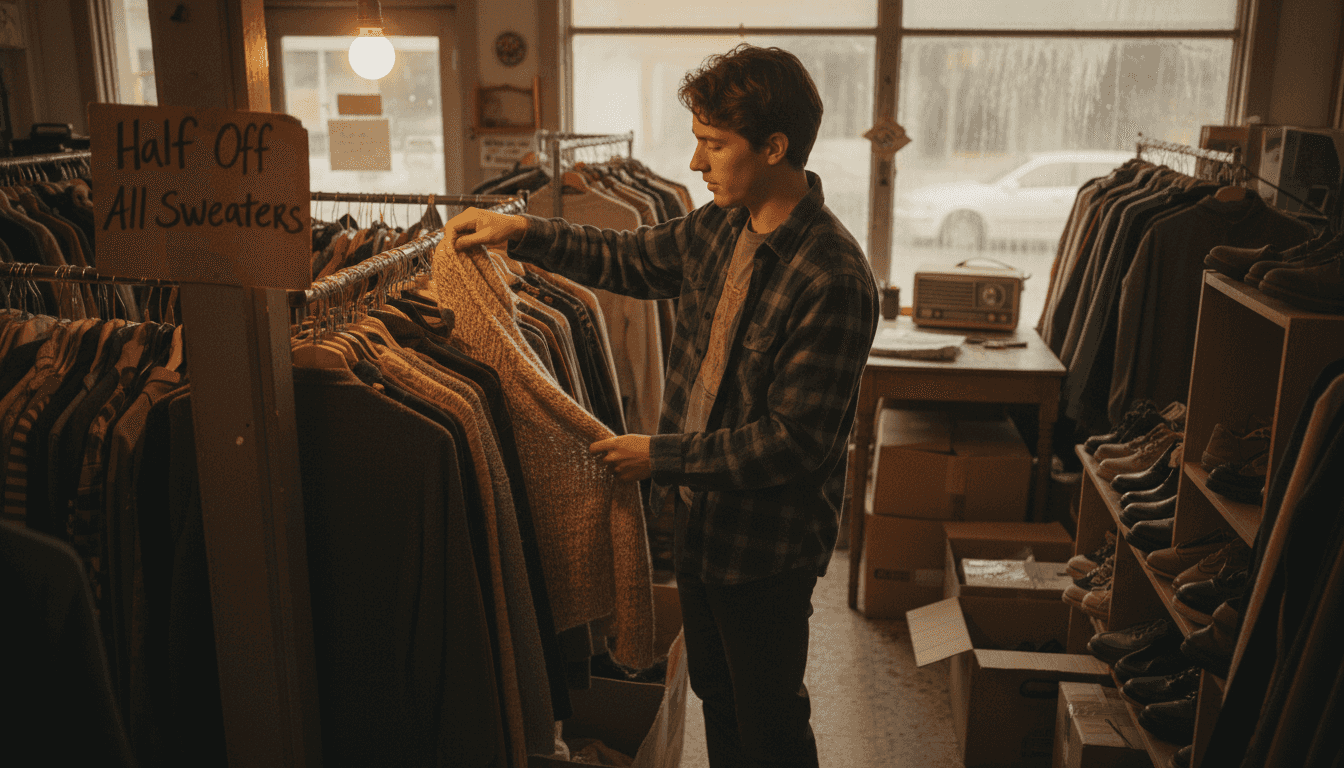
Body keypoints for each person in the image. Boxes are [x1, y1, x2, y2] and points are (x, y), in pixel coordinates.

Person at [447, 43, 878, 768]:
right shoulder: (722, 226)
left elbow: (794, 441)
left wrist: (658, 455)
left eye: (713, 145)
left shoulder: (831, 274)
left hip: (765, 546)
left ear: (775, 147)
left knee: (768, 716)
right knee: (716, 693)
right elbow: (634, 259)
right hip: (701, 524)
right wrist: (522, 231)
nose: (695, 164)